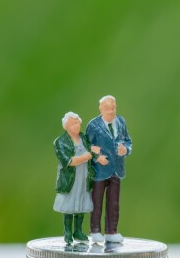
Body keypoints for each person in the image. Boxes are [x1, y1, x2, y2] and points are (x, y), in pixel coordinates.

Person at [86, 95, 132, 244]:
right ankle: (95, 230)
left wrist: (126, 150)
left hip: (116, 169)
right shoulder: (93, 125)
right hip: (99, 171)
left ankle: (112, 231)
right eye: (107, 108)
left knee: (114, 203)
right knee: (97, 202)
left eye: (113, 108)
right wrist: (97, 158)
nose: (111, 111)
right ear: (101, 108)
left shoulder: (121, 122)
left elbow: (128, 141)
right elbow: (86, 147)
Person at [53, 112, 97, 245]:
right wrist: (85, 157)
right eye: (73, 123)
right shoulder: (60, 142)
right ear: (66, 126)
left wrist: (98, 153)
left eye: (77, 122)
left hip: (84, 176)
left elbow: (92, 151)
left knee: (81, 202)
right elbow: (69, 161)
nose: (76, 125)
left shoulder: (84, 138)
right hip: (70, 179)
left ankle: (78, 230)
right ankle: (67, 232)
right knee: (69, 204)